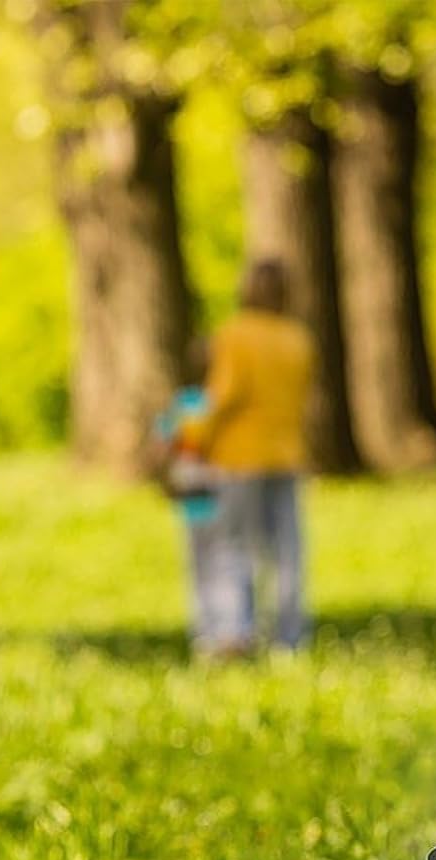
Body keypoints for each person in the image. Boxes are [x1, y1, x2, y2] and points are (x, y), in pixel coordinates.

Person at [198, 258, 315, 653]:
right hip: (286, 453)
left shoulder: (235, 335)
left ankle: (237, 631)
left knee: (235, 546)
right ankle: (290, 638)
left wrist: (197, 438)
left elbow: (225, 395)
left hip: (239, 456)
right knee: (286, 553)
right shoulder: (297, 337)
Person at [154, 337, 241, 657]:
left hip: (190, 493)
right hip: (223, 490)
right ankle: (233, 631)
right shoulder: (221, 405)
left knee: (199, 565)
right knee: (229, 560)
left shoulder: (180, 405)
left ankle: (205, 634)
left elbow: (162, 445)